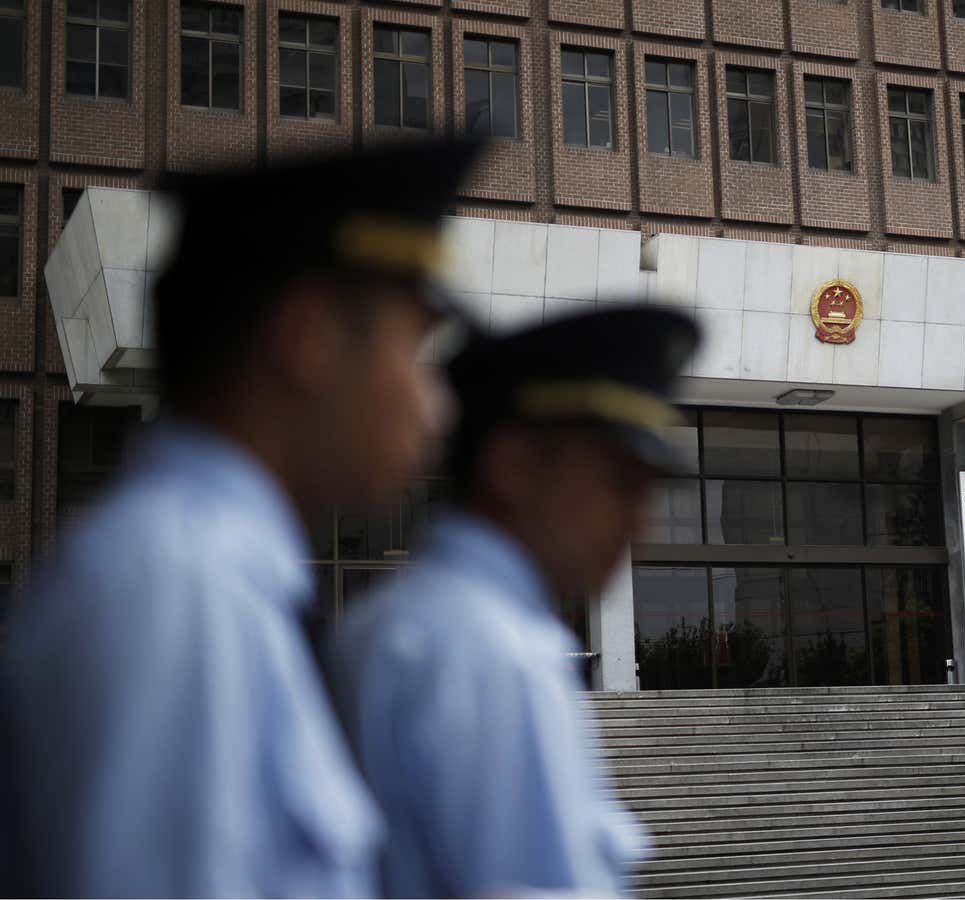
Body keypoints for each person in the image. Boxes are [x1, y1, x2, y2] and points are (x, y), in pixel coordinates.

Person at [1, 139, 481, 897]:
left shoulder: (214, 584)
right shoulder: (178, 597)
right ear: (309, 338)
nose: (437, 406)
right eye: (419, 350)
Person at [329, 307, 700, 898]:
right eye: (621, 481)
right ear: (514, 464)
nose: (642, 518)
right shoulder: (492, 651)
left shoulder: (402, 623)